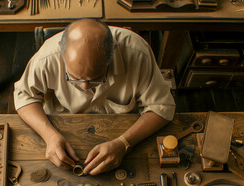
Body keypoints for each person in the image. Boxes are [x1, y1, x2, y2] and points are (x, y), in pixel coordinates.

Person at [14, 18, 175, 175]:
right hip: (62, 128)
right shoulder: (47, 57)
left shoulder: (138, 54)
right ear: (61, 52)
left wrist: (124, 143)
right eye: (75, 78)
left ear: (113, 53)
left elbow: (161, 108)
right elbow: (24, 96)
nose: (84, 87)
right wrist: (49, 135)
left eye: (96, 79)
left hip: (124, 131)